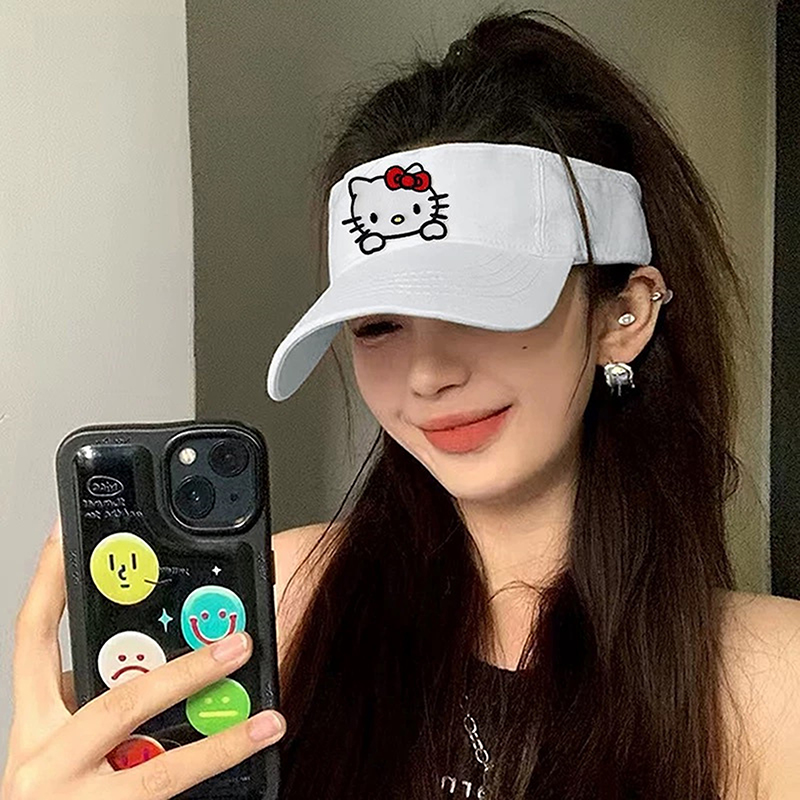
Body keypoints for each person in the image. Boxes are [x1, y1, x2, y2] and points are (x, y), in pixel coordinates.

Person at [3, 7, 785, 800]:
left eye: (482, 308)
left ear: (625, 313)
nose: (427, 375)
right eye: (378, 326)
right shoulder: (267, 607)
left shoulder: (772, 687)